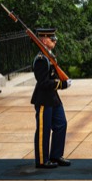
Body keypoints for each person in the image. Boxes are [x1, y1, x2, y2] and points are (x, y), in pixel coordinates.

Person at [31, 28, 72, 169]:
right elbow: (43, 82)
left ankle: (56, 155)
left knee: (61, 124)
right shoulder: (41, 60)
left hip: (53, 98)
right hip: (43, 99)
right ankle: (42, 160)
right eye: (51, 38)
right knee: (44, 129)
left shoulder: (49, 56)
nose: (54, 40)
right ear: (43, 40)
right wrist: (61, 84)